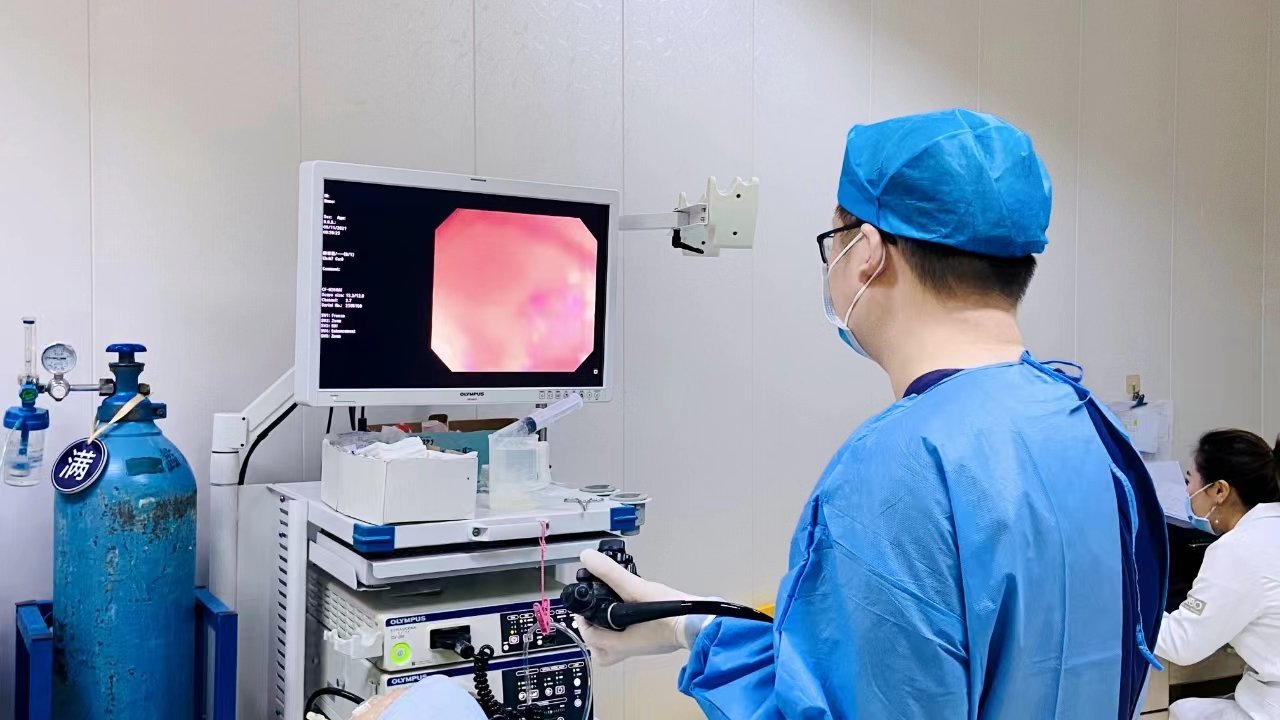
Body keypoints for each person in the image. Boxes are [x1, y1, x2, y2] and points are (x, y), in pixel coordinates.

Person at [576, 108, 1169, 719]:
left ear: (866, 252)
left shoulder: (900, 468)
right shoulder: (1093, 430)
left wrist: (700, 641)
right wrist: (691, 626)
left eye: (832, 242)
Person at [1157, 429, 1280, 720]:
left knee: (1179, 711)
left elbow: (1182, 644)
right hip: (1266, 690)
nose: (1187, 493)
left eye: (1190, 481)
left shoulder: (1238, 548)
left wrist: (1125, 609)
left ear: (1219, 491)